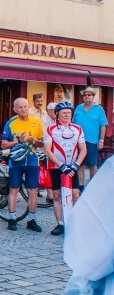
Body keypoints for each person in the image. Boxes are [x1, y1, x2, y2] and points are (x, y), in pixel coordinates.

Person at [44, 101, 86, 236]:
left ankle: (73, 221)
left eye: (69, 113)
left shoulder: (78, 128)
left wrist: (76, 164)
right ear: (57, 114)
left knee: (75, 194)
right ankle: (60, 223)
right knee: (56, 195)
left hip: (72, 166)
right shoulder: (50, 129)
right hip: (55, 166)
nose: (67, 115)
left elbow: (83, 149)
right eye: (64, 113)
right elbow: (47, 150)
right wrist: (61, 165)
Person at [1, 97, 43, 232]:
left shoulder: (36, 122)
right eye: (20, 107)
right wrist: (18, 141)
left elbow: (43, 144)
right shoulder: (10, 123)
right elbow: (3, 145)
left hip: (32, 160)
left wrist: (33, 142)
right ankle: (12, 219)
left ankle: (31, 220)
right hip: (16, 161)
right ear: (15, 109)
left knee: (33, 191)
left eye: (25, 106)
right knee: (13, 189)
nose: (23, 109)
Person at [73, 87, 108, 191]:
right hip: (78, 141)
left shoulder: (99, 109)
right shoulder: (78, 108)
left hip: (92, 141)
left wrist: (101, 140)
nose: (87, 96)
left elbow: (103, 125)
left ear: (93, 97)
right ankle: (81, 187)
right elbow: (73, 123)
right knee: (80, 164)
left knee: (92, 164)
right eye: (85, 95)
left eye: (89, 95)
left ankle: (92, 187)